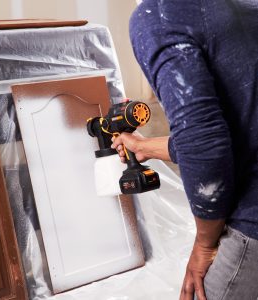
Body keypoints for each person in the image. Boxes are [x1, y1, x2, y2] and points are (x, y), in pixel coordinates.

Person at [111, 1, 258, 299]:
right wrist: (144, 147)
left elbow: (204, 143)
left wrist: (205, 244)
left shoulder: (160, 14)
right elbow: (239, 127)